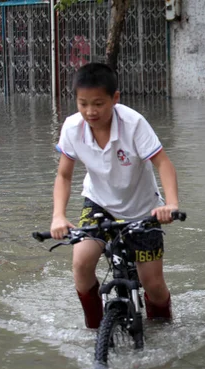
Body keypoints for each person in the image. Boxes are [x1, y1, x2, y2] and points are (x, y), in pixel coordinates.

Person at [50, 63, 180, 328]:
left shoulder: (133, 124)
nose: (90, 111)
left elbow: (163, 164)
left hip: (143, 209)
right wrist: (58, 216)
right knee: (81, 263)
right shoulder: (72, 128)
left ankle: (163, 331)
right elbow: (64, 175)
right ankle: (95, 329)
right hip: (98, 203)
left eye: (98, 103)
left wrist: (171, 204)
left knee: (153, 285)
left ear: (115, 98)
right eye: (82, 103)